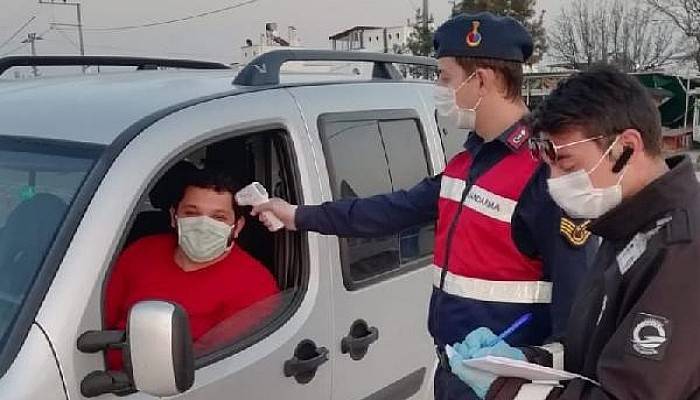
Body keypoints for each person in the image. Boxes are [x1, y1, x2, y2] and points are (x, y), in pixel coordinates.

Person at [252, 12, 593, 399]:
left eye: (445, 78)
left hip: (509, 380)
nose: (439, 89)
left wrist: (542, 375)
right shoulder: (468, 163)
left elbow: (579, 303)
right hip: (454, 369)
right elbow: (393, 210)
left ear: (480, 80)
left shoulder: (544, 173)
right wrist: (298, 215)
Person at [448, 65, 700, 399]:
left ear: (626, 147)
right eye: (548, 166)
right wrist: (521, 360)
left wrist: (507, 389)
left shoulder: (681, 252)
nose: (555, 182)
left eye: (567, 164)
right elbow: (598, 346)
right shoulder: (624, 224)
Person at [104, 167, 279, 370]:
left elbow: (222, 368)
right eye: (192, 213)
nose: (203, 225)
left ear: (237, 226)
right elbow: (97, 321)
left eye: (218, 217)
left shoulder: (255, 285)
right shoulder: (141, 251)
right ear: (173, 216)